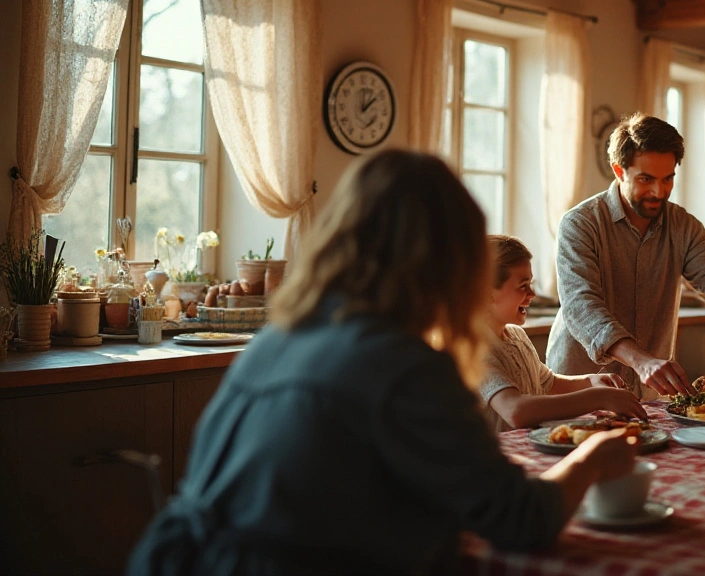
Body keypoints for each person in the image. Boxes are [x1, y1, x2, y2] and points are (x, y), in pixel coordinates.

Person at [128, 150, 637, 576]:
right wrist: (593, 458)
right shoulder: (406, 368)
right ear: (452, 262)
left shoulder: (280, 340)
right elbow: (520, 519)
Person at [546, 113, 705, 397]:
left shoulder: (684, 227)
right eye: (646, 179)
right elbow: (581, 306)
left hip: (648, 393)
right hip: (578, 387)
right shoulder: (580, 224)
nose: (659, 191)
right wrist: (640, 361)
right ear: (619, 171)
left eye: (668, 179)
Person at [481, 235, 647, 431]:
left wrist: (590, 382)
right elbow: (515, 411)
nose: (532, 294)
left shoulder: (517, 335)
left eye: (531, 285)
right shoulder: (471, 347)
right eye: (522, 286)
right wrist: (598, 398)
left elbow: (548, 383)